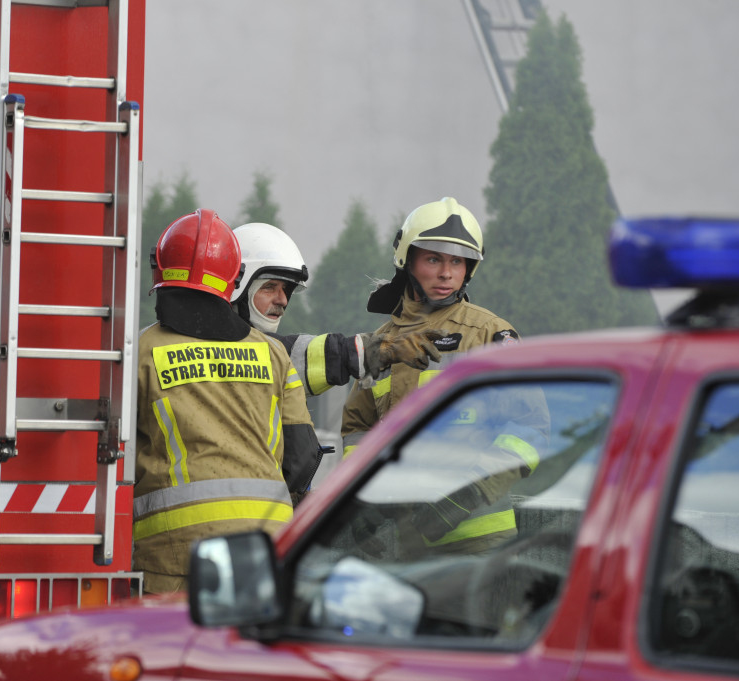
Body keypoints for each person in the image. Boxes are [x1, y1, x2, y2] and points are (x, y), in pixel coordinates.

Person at [341, 197, 550, 552]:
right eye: (434, 258)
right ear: (408, 260)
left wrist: (468, 493)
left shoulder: (490, 335)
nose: (446, 273)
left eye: (457, 261)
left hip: (479, 541)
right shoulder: (380, 344)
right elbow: (358, 430)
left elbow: (530, 428)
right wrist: (358, 500)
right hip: (402, 547)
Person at [133, 209, 321, 594]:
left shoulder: (141, 351)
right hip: (264, 546)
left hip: (174, 551)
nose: (282, 300)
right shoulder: (273, 354)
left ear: (160, 276)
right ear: (234, 282)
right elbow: (302, 455)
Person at [230, 222, 446, 397]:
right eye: (269, 288)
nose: (283, 300)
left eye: (286, 290)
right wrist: (379, 348)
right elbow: (300, 355)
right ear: (238, 286)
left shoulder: (266, 352)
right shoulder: (227, 351)